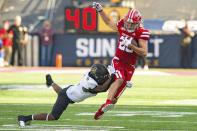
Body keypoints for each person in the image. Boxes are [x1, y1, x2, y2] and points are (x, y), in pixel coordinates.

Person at [92, 2, 150, 120]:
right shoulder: (122, 25)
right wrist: (100, 10)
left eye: (131, 23)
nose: (128, 25)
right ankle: (105, 98)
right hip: (118, 60)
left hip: (129, 66)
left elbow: (144, 52)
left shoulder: (141, 32)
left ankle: (102, 109)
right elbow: (108, 22)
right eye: (128, 22)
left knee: (115, 98)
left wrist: (132, 46)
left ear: (137, 23)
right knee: (119, 80)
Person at [17, 64, 116, 127]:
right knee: (53, 116)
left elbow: (104, 82)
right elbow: (103, 88)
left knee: (61, 92)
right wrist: (113, 76)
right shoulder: (89, 84)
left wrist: (116, 78)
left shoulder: (90, 74)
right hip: (68, 95)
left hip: (71, 91)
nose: (106, 77)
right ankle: (24, 118)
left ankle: (51, 83)